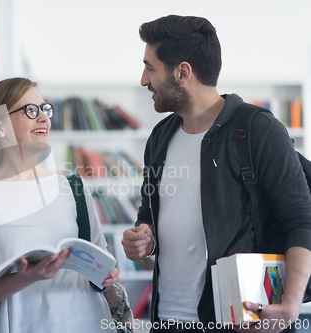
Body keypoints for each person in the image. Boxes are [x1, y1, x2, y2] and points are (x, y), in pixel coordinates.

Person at [121, 15, 311, 333]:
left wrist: (289, 309)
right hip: (167, 322)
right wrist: (144, 238)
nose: (144, 80)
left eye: (150, 67)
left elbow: (302, 220)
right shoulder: (159, 138)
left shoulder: (257, 129)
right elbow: (148, 214)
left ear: (183, 72)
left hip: (242, 322)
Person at [0, 77, 119, 333]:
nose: (44, 118)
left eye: (45, 109)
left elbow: (102, 266)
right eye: (30, 111)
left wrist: (109, 275)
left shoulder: (74, 188)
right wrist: (26, 278)